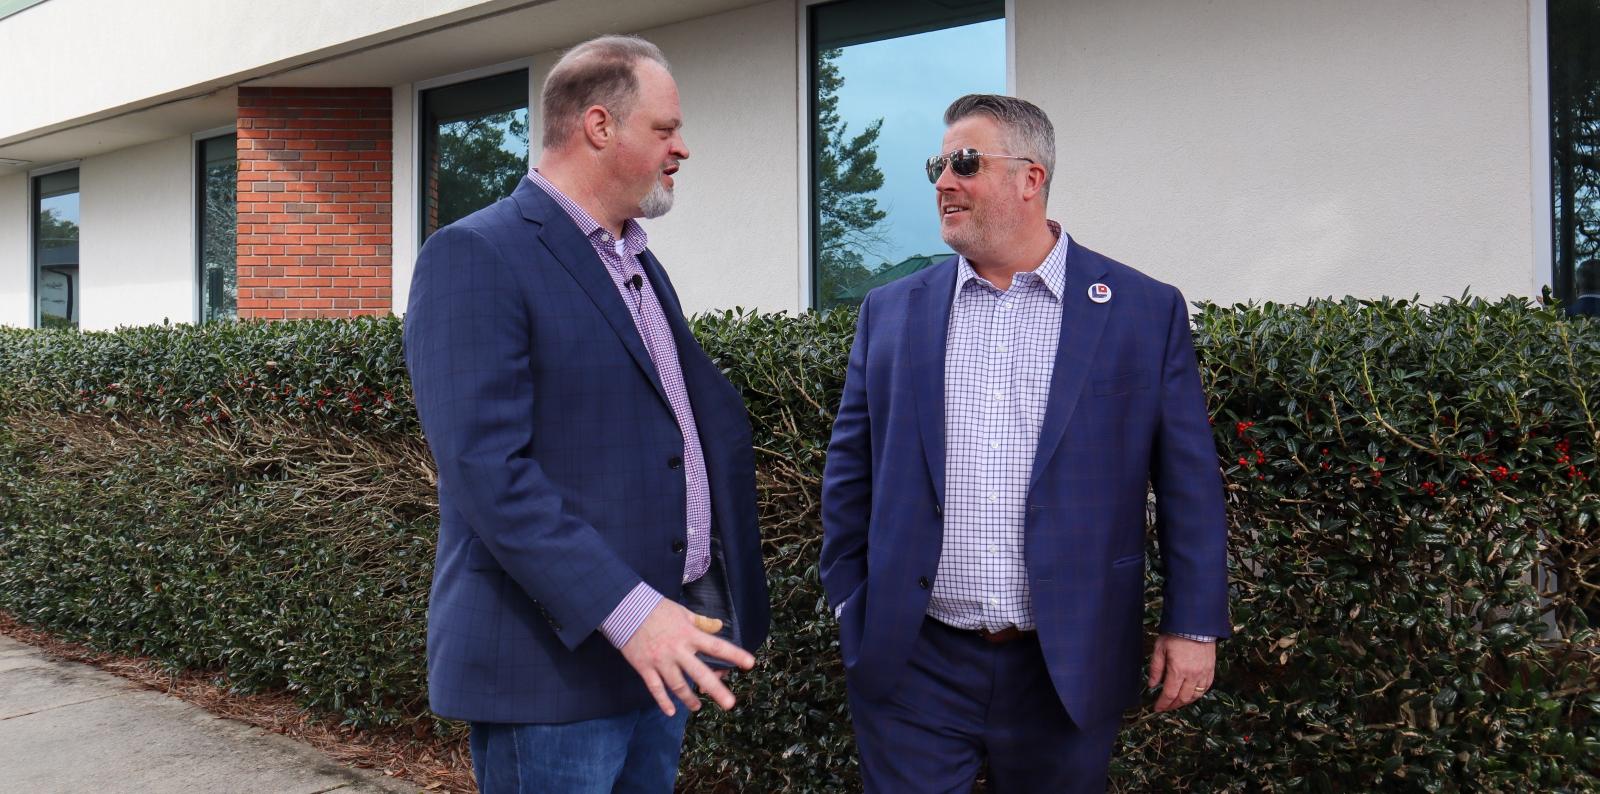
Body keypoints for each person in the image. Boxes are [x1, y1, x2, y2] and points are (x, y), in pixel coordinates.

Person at [820, 93, 1230, 793]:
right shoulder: (890, 311)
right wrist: (849, 602)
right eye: (937, 166)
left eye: (965, 163)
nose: (944, 182)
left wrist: (1192, 624)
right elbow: (849, 469)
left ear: (1030, 178)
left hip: (1067, 661)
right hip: (914, 661)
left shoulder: (1141, 309)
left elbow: (1187, 482)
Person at [403, 34, 769, 794]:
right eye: (665, 129)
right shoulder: (476, 253)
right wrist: (631, 612)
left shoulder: (635, 260)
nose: (681, 149)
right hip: (550, 674)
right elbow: (487, 472)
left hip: (656, 655)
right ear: (600, 126)